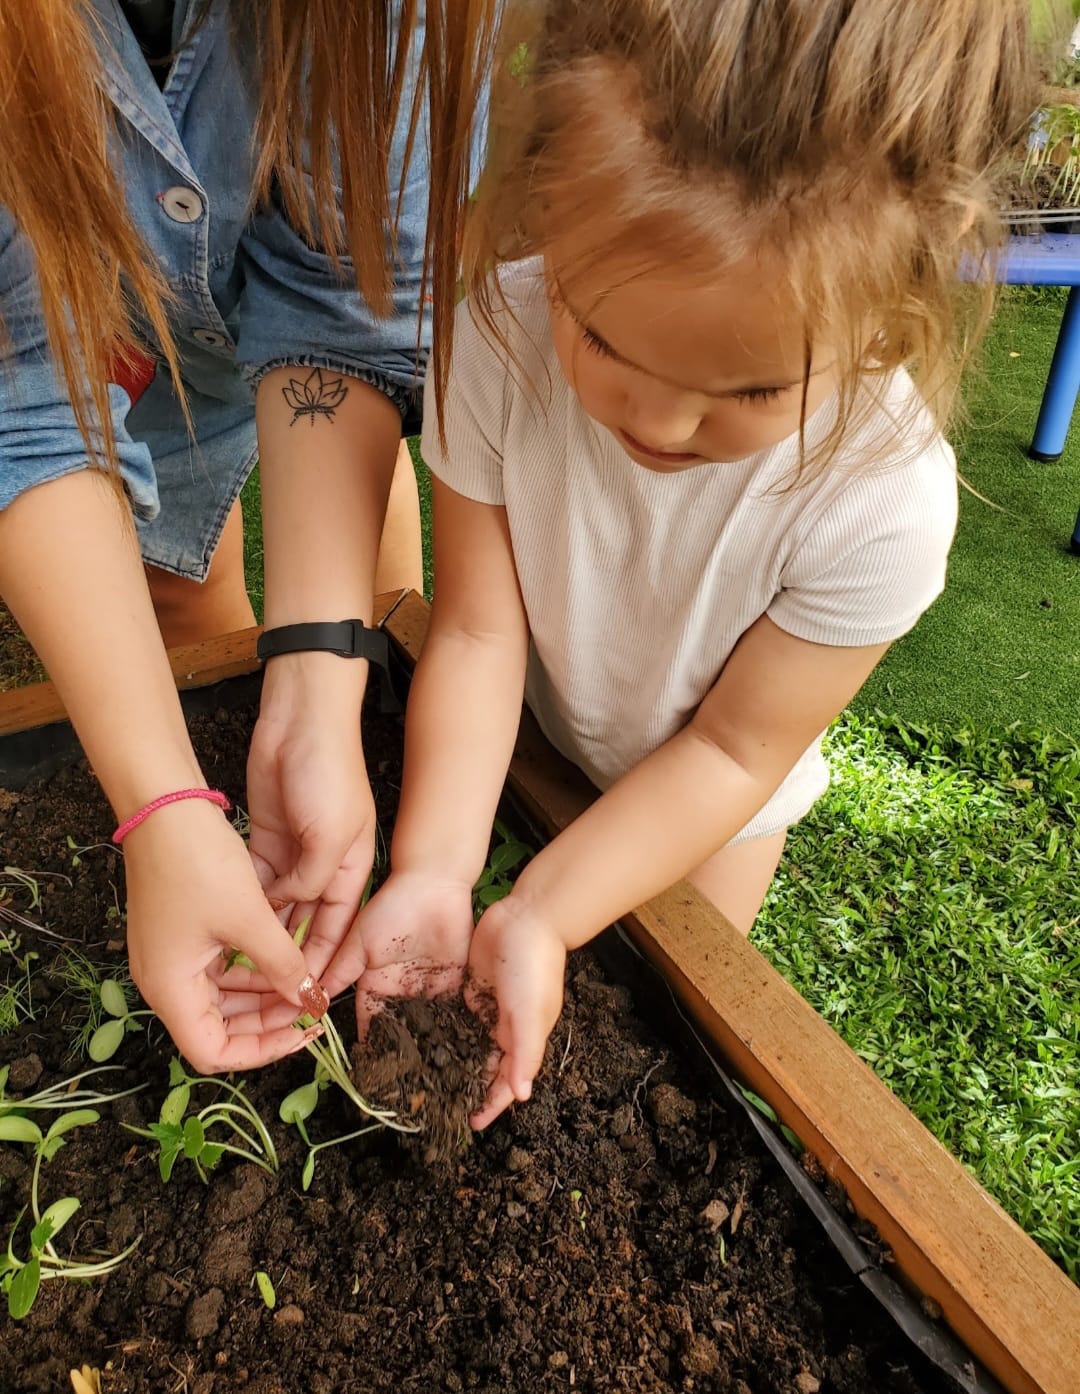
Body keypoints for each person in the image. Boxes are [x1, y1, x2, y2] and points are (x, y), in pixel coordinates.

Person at [321, 0, 1038, 1125]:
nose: (654, 421)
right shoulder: (498, 334)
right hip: (537, 730)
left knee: (660, 1042)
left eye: (752, 387)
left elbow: (734, 747)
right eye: (600, 336)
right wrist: (434, 870)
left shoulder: (884, 506)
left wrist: (544, 909)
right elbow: (477, 629)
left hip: (719, 811)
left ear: (891, 320)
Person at [0, 1, 494, 1072]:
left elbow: (343, 302)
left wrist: (316, 684)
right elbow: (20, 392)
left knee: (358, 576)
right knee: (178, 583)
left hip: (251, 321)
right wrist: (164, 805)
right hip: (104, 321)